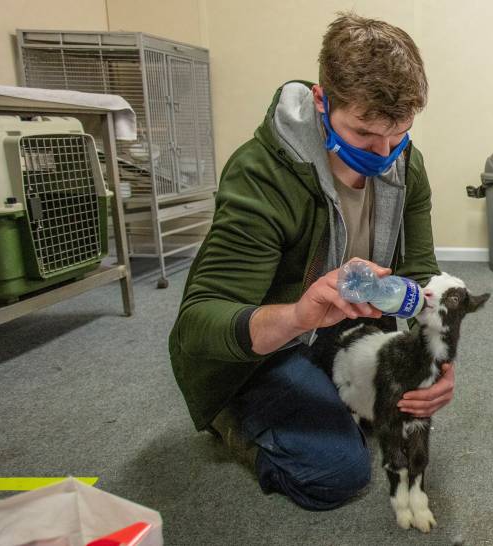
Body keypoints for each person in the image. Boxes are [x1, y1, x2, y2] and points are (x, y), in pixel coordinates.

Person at [169, 13, 453, 511]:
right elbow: (198, 322)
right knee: (336, 474)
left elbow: (420, 276)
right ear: (322, 103)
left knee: (402, 411)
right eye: (364, 134)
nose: (384, 155)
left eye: (399, 133)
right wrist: (299, 315)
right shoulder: (261, 175)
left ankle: (326, 391)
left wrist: (438, 355)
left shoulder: (406, 164)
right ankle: (228, 416)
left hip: (342, 324)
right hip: (265, 343)